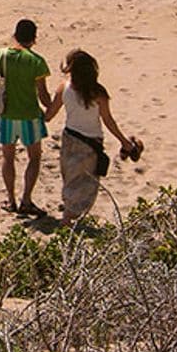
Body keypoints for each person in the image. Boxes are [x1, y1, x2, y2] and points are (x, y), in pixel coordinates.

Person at [44, 48, 142, 228]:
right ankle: (68, 218)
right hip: (90, 143)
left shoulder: (63, 87)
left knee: (71, 178)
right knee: (86, 182)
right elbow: (108, 121)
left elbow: (50, 114)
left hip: (69, 138)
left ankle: (68, 213)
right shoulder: (98, 93)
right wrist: (124, 142)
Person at [0, 19, 54, 215]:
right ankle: (26, 199)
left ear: (15, 35)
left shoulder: (1, 55)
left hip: (6, 116)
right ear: (34, 39)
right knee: (34, 157)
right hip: (29, 115)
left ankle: (11, 199)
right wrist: (53, 109)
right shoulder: (37, 62)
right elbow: (43, 95)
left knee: (8, 157)